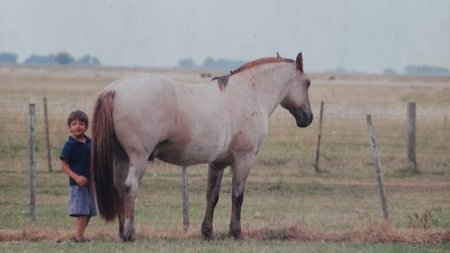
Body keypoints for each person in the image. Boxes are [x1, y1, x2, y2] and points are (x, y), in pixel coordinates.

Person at [60, 110, 97, 242]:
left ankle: (78, 236)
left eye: (81, 124)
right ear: (70, 127)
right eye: (74, 124)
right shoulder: (69, 145)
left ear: (86, 126)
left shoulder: (90, 142)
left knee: (89, 211)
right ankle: (79, 237)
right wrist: (76, 177)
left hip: (90, 183)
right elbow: (63, 165)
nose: (77, 126)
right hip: (78, 184)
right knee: (82, 211)